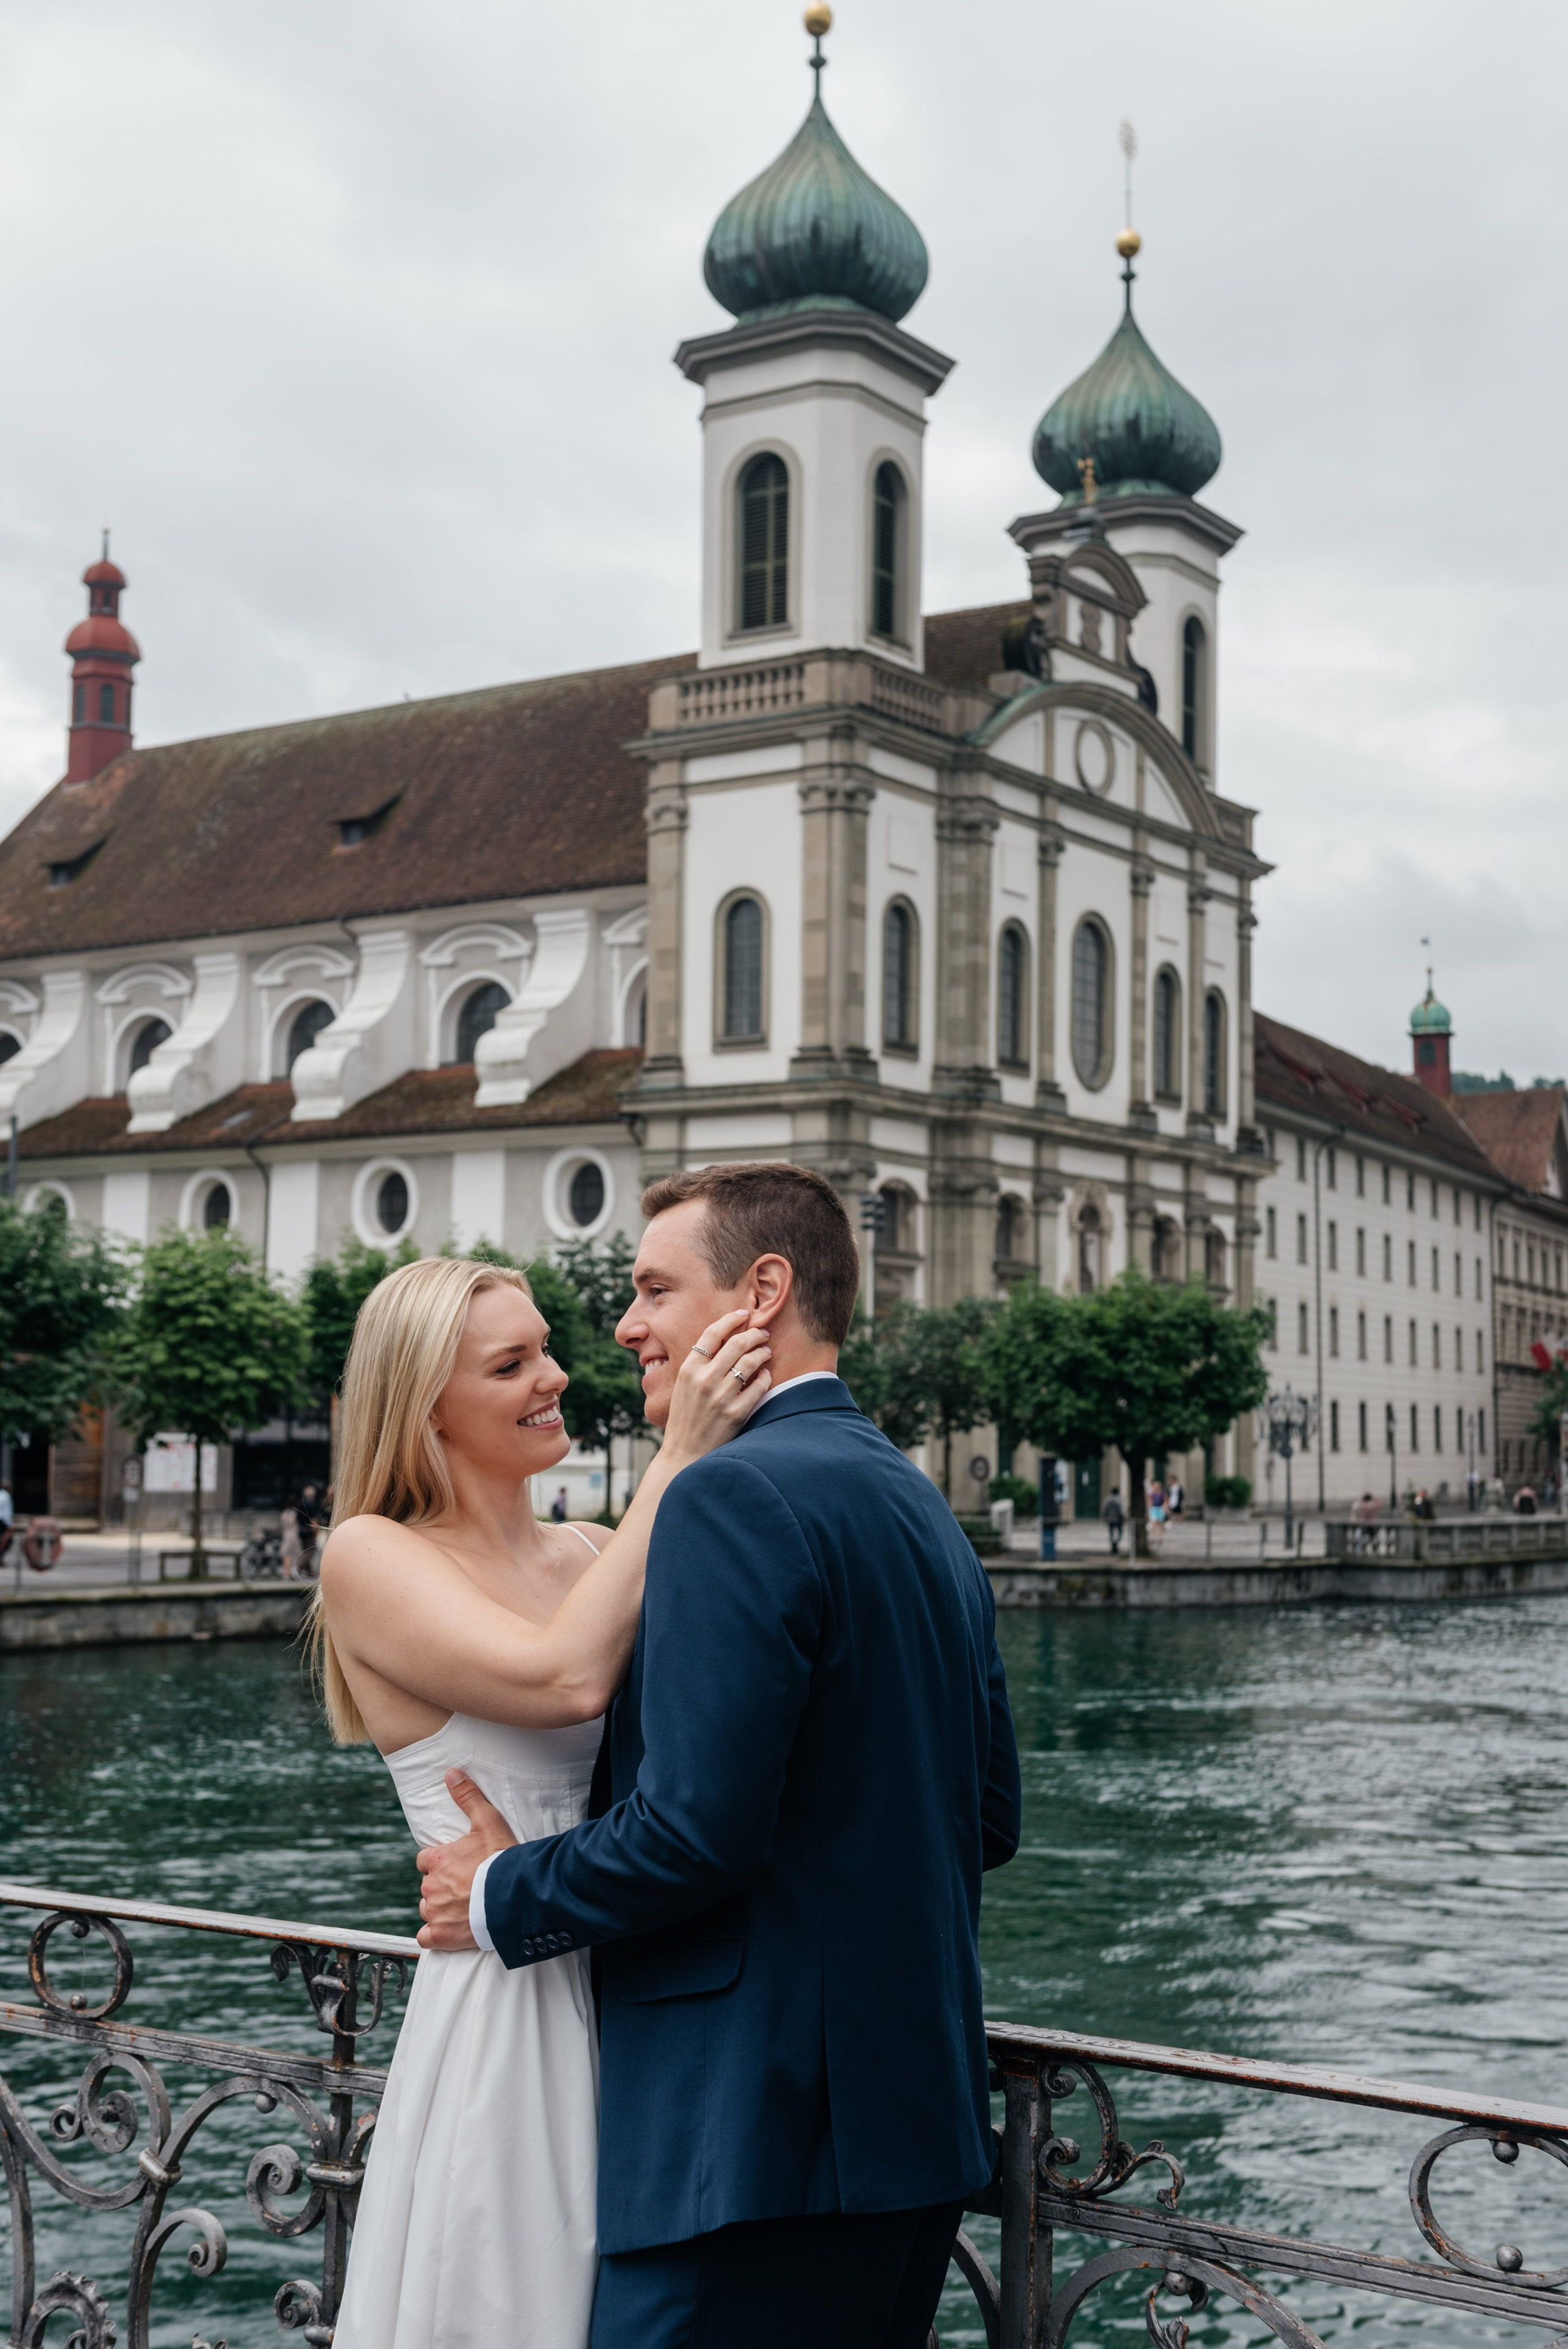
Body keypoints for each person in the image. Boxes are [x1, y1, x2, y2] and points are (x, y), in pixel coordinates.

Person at [417, 1162, 1022, 2349]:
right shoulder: (915, 1502)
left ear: (762, 1291)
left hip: (748, 2148)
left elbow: (693, 1832)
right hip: (914, 2135)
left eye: (652, 1289)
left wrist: (496, 1892)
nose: (626, 1325)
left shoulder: (726, 1494)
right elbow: (984, 1815)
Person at [316, 1254, 771, 2349]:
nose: (556, 1375)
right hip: (506, 2005)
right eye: (512, 1363)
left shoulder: (596, 1549)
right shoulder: (369, 1554)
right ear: (426, 1405)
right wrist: (681, 1453)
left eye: (546, 1348)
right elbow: (562, 1679)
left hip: (645, 1982)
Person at [1103, 1488, 1125, 1556]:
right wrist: (1123, 1518)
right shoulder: (1118, 1500)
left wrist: (1105, 1517)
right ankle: (1116, 1543)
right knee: (1121, 1532)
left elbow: (1104, 1510)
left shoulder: (1107, 1500)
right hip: (1118, 1519)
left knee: (1111, 1532)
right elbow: (1121, 1511)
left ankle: (1113, 1543)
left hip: (1110, 1519)